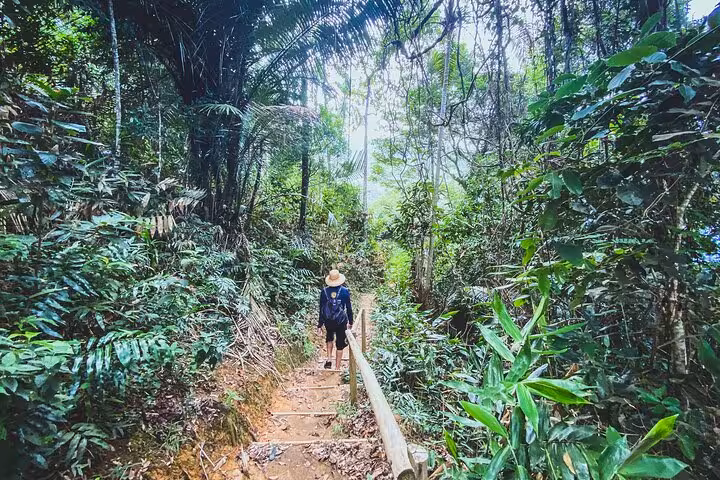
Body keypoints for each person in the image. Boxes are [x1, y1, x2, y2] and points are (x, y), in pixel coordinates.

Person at [317, 269, 353, 369]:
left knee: (329, 338)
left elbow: (321, 309)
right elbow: (349, 308)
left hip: (328, 321)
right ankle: (337, 368)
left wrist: (320, 324)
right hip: (341, 321)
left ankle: (329, 359)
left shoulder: (324, 292)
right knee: (340, 344)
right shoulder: (345, 291)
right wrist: (350, 321)